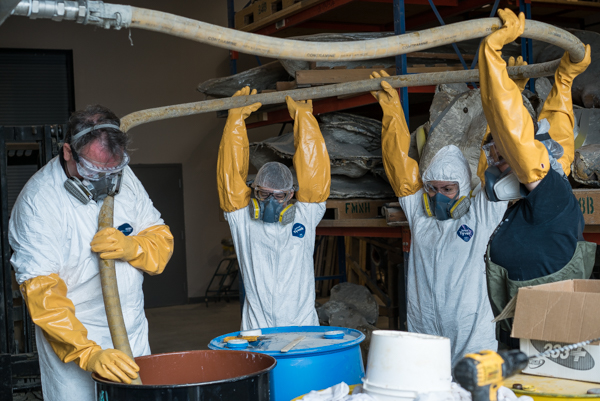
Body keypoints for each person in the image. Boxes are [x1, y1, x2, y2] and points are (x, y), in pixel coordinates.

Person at [9, 105, 174, 401]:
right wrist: (88, 353)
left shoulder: (122, 176)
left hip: (131, 330)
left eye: (113, 169)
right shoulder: (38, 204)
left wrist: (133, 247)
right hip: (76, 344)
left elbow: (159, 239)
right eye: (93, 170)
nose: (104, 180)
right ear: (68, 152)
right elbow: (42, 294)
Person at [370, 70, 508, 366]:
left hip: (472, 333)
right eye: (432, 189)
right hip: (425, 329)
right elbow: (397, 165)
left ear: (463, 188)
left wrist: (506, 95)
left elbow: (496, 158)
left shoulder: (479, 216)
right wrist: (391, 110)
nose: (439, 196)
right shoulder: (420, 216)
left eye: (448, 189)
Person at [478, 9, 595, 346]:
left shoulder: (552, 197)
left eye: (499, 157)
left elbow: (517, 135)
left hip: (547, 327)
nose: (492, 164)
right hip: (523, 322)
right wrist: (563, 80)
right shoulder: (533, 200)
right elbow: (553, 134)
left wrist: (492, 54)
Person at [217, 86, 330, 330]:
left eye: (279, 196)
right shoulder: (242, 220)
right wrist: (235, 120)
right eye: (264, 194)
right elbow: (230, 175)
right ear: (253, 191)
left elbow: (314, 174)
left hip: (302, 326)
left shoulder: (306, 215)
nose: (270, 202)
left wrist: (304, 120)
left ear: (291, 195)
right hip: (257, 329)